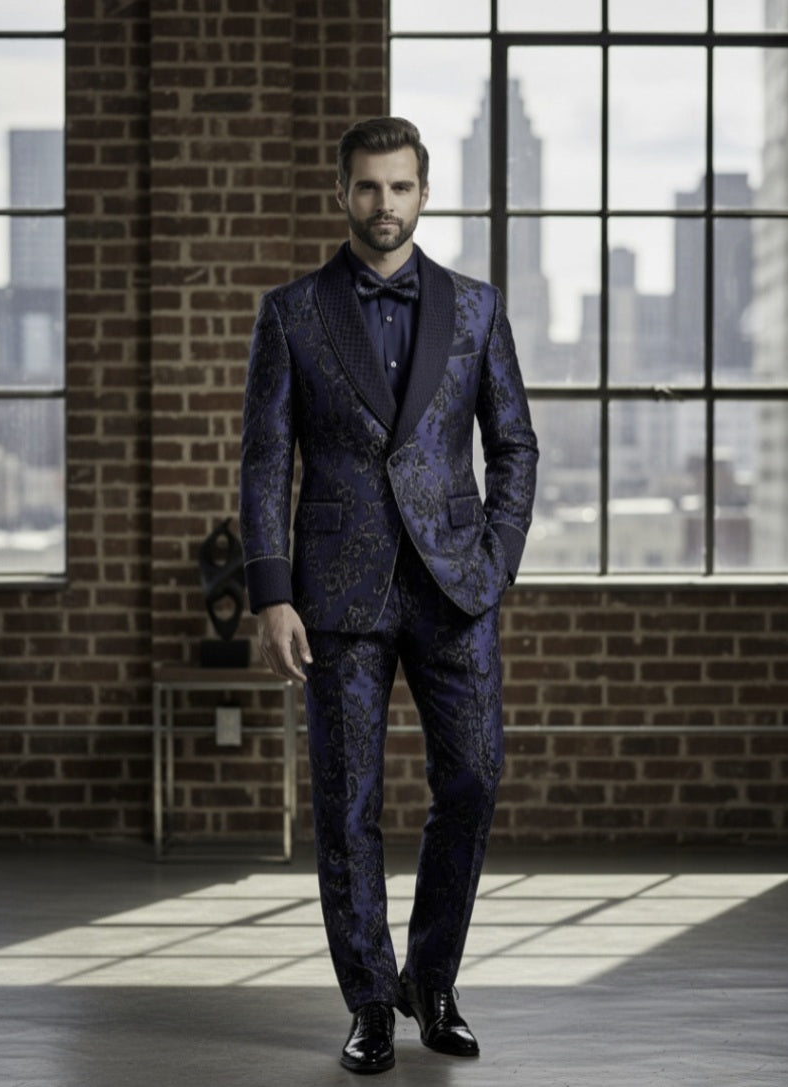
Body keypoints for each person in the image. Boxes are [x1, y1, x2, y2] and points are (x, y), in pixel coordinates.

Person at [239, 116, 538, 1074]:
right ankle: (369, 1000)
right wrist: (272, 593)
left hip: (455, 588)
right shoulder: (290, 313)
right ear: (342, 191)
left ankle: (432, 979)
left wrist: (493, 562)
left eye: (398, 187)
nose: (383, 205)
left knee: (473, 779)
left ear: (424, 190)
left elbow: (516, 447)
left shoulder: (478, 307)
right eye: (366, 187)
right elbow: (262, 464)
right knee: (348, 802)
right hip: (337, 594)